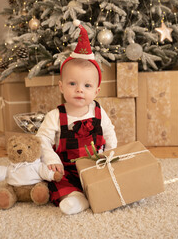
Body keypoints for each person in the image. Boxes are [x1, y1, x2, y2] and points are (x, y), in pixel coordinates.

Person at [36, 20, 117, 215]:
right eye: (72, 83)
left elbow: (109, 133)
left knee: (108, 182)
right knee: (57, 182)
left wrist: (111, 154)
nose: (80, 89)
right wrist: (50, 155)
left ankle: (96, 194)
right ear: (61, 86)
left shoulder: (98, 112)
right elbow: (41, 139)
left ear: (96, 91)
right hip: (67, 168)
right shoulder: (56, 115)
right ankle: (75, 199)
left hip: (95, 165)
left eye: (87, 86)